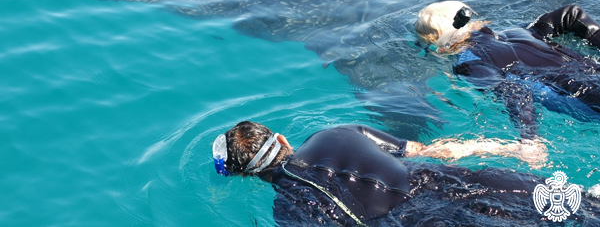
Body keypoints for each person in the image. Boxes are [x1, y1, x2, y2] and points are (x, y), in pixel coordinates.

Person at [210, 121, 586, 226]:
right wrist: (501, 148)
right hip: (443, 180)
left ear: (246, 176)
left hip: (419, 220)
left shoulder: (287, 211)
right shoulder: (339, 132)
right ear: (280, 138)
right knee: (577, 203)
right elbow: (433, 151)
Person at [414, 1, 600, 139]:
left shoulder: (469, 63)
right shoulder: (519, 31)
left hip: (586, 96)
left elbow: (511, 89)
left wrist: (528, 137)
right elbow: (571, 13)